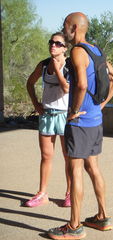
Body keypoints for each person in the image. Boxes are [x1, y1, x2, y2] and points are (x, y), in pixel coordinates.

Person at [48, 12, 113, 240]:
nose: (63, 29)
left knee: (76, 170)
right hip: (95, 120)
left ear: (73, 27)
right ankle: (103, 217)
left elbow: (80, 84)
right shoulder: (96, 50)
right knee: (94, 168)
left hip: (79, 122)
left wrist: (73, 111)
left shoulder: (79, 51)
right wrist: (101, 105)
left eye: (65, 26)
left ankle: (73, 227)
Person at [26, 32, 72, 207]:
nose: (53, 45)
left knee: (68, 156)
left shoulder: (69, 66)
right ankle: (42, 193)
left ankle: (69, 193)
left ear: (65, 48)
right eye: (51, 42)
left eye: (58, 43)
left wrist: (58, 69)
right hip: (47, 114)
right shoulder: (44, 65)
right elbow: (30, 83)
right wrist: (36, 103)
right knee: (46, 156)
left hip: (64, 116)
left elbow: (67, 88)